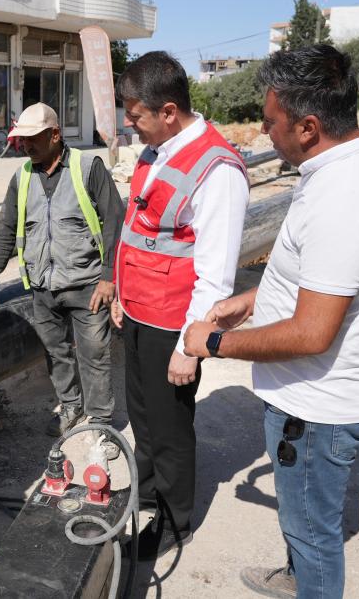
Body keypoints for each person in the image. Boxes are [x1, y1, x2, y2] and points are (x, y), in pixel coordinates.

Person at [183, 45, 359, 599]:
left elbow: (313, 332)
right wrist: (253, 299)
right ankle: (295, 576)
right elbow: (322, 278)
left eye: (270, 123)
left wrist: (214, 341)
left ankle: (306, 582)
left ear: (308, 126)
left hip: (317, 410)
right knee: (304, 521)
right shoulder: (346, 166)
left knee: (313, 537)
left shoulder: (346, 197)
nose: (264, 133)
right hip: (312, 402)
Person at [111, 52, 250, 560]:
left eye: (136, 114)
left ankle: (174, 520)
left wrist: (192, 346)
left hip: (176, 324)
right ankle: (147, 496)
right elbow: (138, 233)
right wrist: (122, 295)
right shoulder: (156, 149)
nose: (130, 124)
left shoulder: (217, 169)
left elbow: (216, 272)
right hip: (139, 314)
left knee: (170, 429)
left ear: (168, 110)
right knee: (143, 417)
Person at [0, 103, 125, 454]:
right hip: (42, 286)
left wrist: (108, 277)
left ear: (55, 135)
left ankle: (100, 424)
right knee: (56, 353)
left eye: (32, 138)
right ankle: (71, 406)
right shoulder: (23, 176)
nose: (25, 146)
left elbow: (116, 222)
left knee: (94, 354)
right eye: (21, 139)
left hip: (88, 284)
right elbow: (6, 228)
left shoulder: (88, 168)